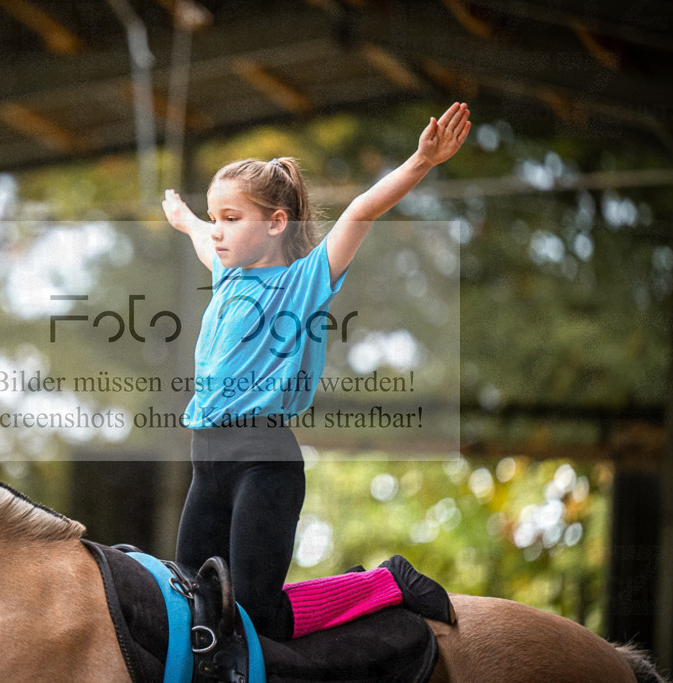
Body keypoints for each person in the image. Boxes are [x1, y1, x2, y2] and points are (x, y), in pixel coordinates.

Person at [162, 102, 471, 641]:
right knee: (190, 603)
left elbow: (360, 211)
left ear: (278, 223)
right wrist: (186, 217)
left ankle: (384, 583)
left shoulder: (303, 281)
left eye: (230, 220)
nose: (217, 232)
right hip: (207, 461)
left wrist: (421, 163)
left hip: (264, 463)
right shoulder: (227, 275)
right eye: (215, 219)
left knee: (258, 616)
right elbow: (198, 238)